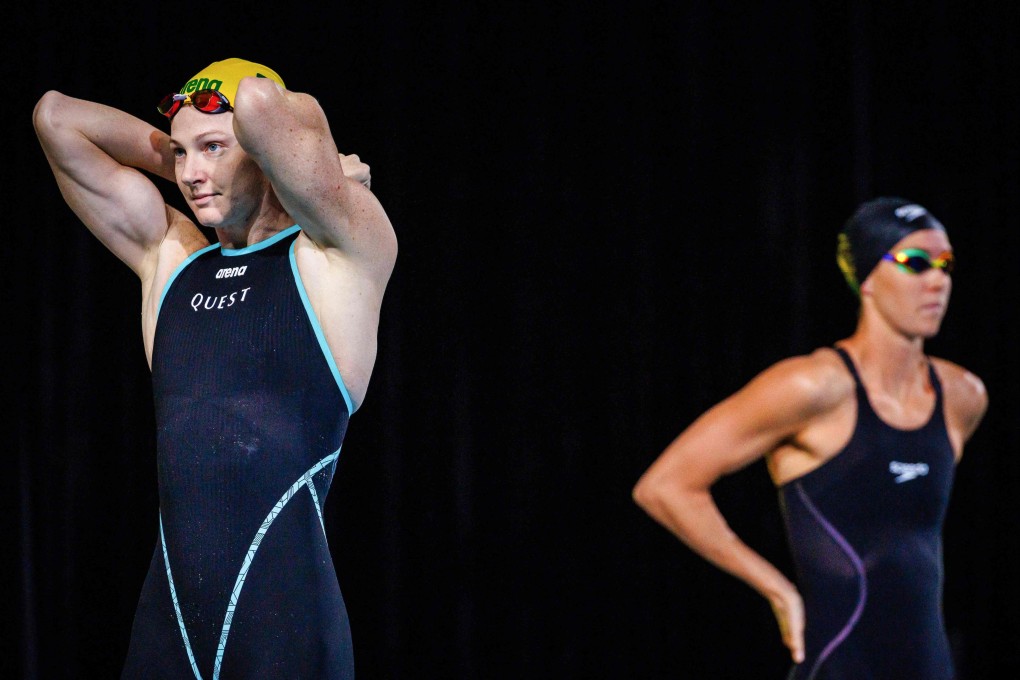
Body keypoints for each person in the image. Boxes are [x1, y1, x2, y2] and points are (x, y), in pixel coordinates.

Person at [34, 57, 397, 679]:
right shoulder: (170, 261)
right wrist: (198, 156)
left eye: (213, 150)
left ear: (262, 148)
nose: (192, 175)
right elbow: (55, 117)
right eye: (180, 155)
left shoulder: (338, 253)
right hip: (167, 624)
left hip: (286, 623)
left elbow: (258, 102)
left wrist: (291, 160)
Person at [632, 197, 987, 679]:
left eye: (945, 265)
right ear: (866, 279)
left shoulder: (961, 397)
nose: (937, 281)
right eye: (914, 263)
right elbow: (665, 486)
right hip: (837, 662)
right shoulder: (814, 388)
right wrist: (777, 590)